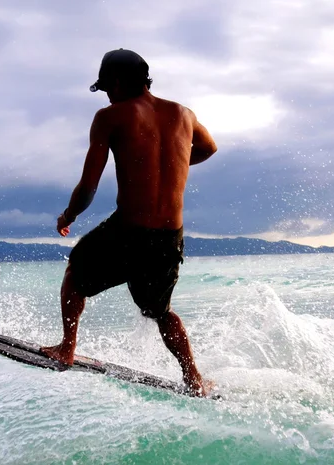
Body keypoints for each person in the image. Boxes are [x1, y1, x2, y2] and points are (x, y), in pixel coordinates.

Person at [41, 49, 218, 397]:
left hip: (128, 229)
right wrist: (176, 164)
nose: (106, 94)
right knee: (160, 311)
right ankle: (193, 379)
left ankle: (67, 348)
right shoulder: (184, 114)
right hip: (169, 235)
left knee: (76, 273)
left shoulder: (111, 116)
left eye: (106, 86)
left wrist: (69, 216)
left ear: (119, 83)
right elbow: (209, 148)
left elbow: (89, 185)